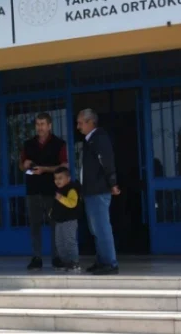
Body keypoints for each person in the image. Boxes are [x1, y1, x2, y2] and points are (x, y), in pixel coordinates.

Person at [20, 112, 68, 270]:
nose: (39, 127)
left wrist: (45, 169)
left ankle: (57, 257)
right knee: (35, 225)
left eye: (42, 124)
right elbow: (21, 166)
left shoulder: (59, 144)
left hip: (52, 190)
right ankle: (36, 257)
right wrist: (25, 164)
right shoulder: (28, 144)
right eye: (37, 124)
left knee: (55, 225)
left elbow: (64, 166)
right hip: (33, 190)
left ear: (49, 126)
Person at [76, 108, 120, 275]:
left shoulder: (99, 138)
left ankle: (110, 263)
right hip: (90, 191)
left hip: (98, 190)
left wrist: (113, 182)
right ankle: (102, 260)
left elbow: (106, 161)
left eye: (80, 123)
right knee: (95, 229)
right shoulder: (90, 140)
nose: (78, 126)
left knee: (102, 228)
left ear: (90, 122)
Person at [51, 167, 82, 272]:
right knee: (59, 242)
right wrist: (52, 213)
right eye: (55, 178)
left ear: (68, 178)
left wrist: (61, 198)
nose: (57, 181)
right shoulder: (59, 191)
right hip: (59, 220)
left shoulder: (71, 189)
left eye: (60, 178)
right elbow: (56, 205)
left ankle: (74, 262)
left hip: (69, 220)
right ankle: (65, 261)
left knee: (69, 241)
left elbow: (72, 203)